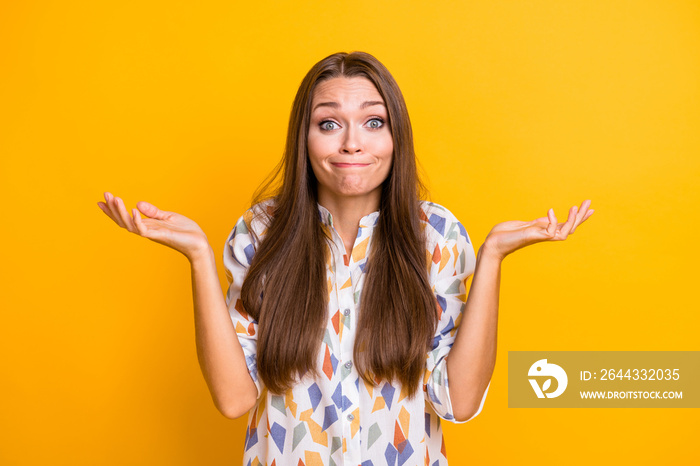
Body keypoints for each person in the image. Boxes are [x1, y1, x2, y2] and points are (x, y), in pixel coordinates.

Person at [97, 51, 594, 465]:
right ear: (304, 138)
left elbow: (458, 402)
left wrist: (491, 260)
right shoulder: (259, 233)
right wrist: (200, 257)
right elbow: (234, 399)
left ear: (395, 136)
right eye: (329, 123)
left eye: (373, 122)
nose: (352, 143)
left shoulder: (437, 234)